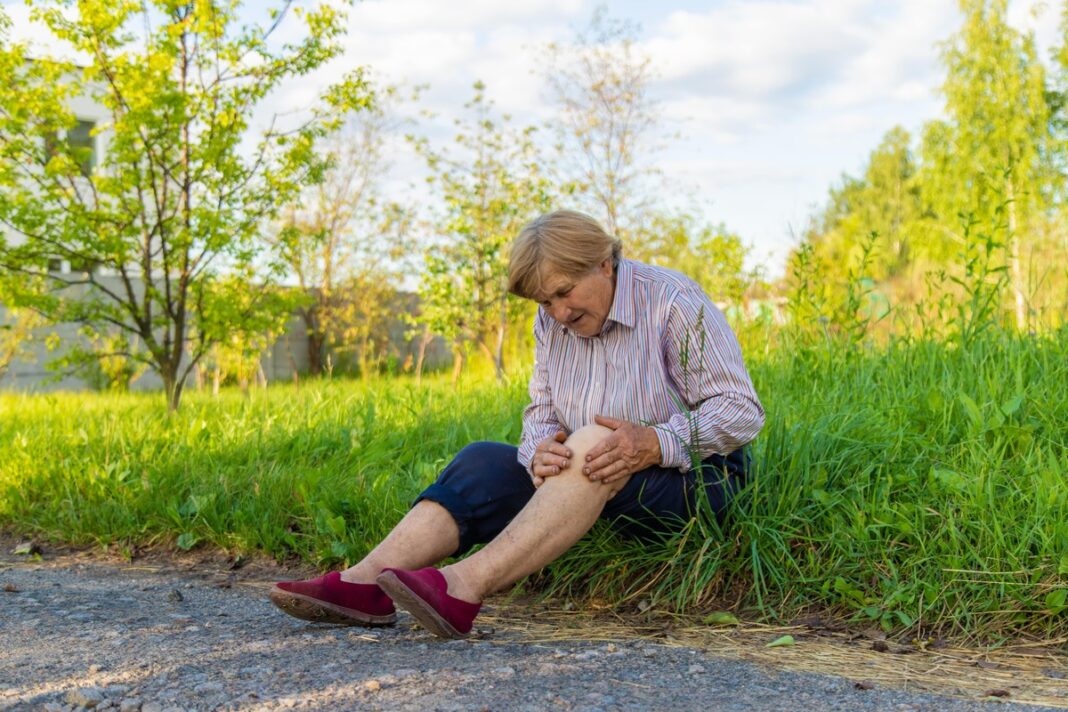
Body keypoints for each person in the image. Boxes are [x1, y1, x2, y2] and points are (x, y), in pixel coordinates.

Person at [269, 209, 765, 639]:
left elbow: (743, 409)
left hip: (696, 479)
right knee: (483, 459)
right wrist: (538, 450)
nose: (558, 312)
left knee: (593, 441)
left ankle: (463, 587)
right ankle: (363, 585)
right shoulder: (552, 321)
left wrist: (655, 441)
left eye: (565, 293)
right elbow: (541, 411)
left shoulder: (674, 301)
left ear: (603, 261)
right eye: (544, 302)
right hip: (592, 473)